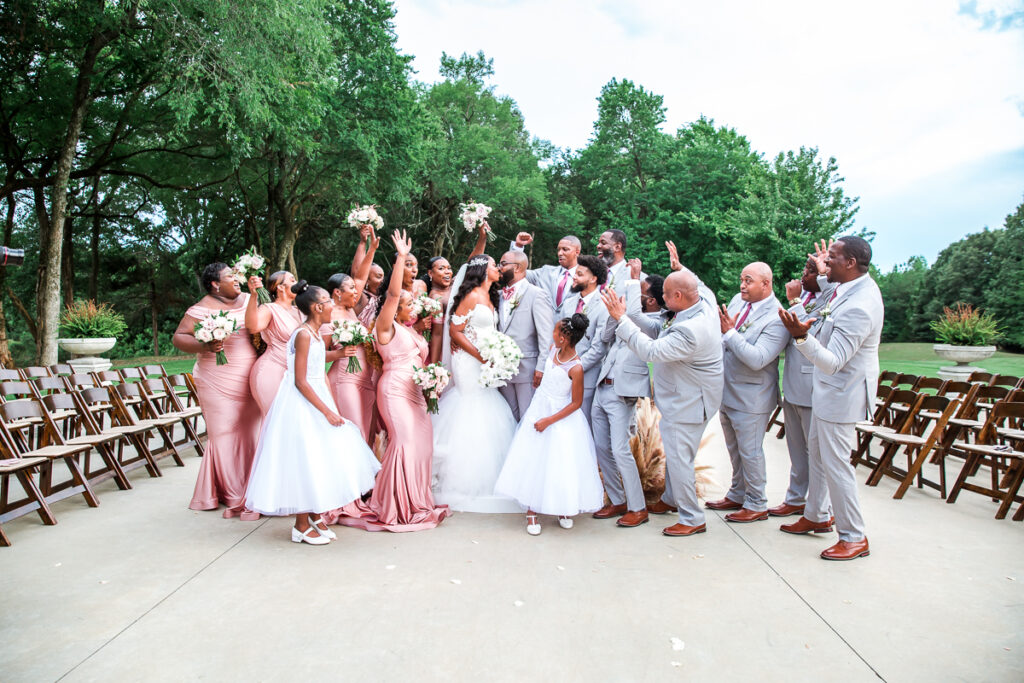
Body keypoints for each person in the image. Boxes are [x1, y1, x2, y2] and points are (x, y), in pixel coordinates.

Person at [245, 282, 381, 545]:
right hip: (302, 403)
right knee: (304, 461)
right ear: (318, 307)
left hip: (318, 396)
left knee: (321, 458)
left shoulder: (316, 333)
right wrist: (326, 412)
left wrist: (332, 398)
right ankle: (300, 524)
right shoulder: (303, 334)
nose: (332, 305)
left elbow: (318, 367)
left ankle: (317, 515)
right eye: (329, 301)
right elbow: (301, 380)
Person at [334, 230, 449, 532]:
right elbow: (395, 294)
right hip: (395, 390)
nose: (414, 306)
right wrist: (399, 258)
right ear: (395, 308)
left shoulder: (411, 330)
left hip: (416, 393)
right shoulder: (385, 327)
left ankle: (417, 500)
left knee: (422, 444)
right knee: (405, 443)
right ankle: (396, 503)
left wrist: (431, 380)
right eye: (409, 303)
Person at [777, 236, 882, 561]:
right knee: (819, 459)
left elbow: (833, 362)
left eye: (832, 258)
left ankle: (853, 536)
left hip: (842, 394)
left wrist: (801, 337)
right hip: (826, 392)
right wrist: (824, 267)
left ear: (850, 263)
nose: (825, 265)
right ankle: (817, 515)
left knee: (837, 466)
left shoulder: (860, 306)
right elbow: (825, 282)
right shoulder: (846, 287)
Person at [600, 270, 723, 537]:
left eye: (665, 294)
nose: (660, 298)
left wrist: (621, 319)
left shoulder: (692, 330)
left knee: (680, 460)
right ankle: (670, 498)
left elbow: (651, 351)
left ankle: (692, 518)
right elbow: (661, 326)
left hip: (688, 403)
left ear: (678, 295)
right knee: (678, 456)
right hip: (689, 397)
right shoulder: (702, 301)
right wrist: (680, 267)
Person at [495, 315, 604, 535]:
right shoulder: (553, 350)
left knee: (560, 463)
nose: (552, 334)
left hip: (560, 417)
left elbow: (576, 403)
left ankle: (562, 507)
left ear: (564, 338)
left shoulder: (576, 368)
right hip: (539, 406)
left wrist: (549, 421)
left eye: (556, 331)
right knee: (534, 458)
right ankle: (532, 510)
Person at [172, 263, 262, 520]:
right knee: (224, 432)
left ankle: (253, 485)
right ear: (214, 284)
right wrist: (205, 343)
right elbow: (179, 337)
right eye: (230, 276)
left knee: (251, 428)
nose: (237, 279)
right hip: (216, 377)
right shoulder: (200, 309)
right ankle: (232, 492)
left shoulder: (248, 299)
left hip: (250, 375)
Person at [431, 253, 519, 512]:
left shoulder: (491, 297)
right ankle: (462, 481)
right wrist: (481, 355)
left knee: (488, 408)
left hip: (486, 361)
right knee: (471, 408)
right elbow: (455, 332)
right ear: (482, 269)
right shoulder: (470, 297)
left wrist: (496, 355)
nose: (498, 269)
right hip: (469, 363)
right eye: (494, 265)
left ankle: (492, 477)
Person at [704, 262, 789, 523]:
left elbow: (758, 359)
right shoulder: (738, 302)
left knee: (750, 452)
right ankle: (738, 492)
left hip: (753, 397)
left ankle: (757, 502)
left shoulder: (777, 318)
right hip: (727, 391)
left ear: (766, 283)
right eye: (742, 279)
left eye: (748, 280)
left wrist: (729, 332)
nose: (742, 285)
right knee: (734, 449)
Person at [769, 254, 836, 517]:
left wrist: (795, 302)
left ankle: (820, 508)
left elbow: (811, 333)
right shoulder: (809, 300)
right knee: (796, 449)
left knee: (816, 453)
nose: (802, 275)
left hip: (813, 386)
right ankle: (796, 498)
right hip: (794, 385)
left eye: (809, 271)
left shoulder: (829, 301)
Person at [591, 258, 655, 527]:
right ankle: (617, 500)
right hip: (601, 387)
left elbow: (636, 316)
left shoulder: (652, 323)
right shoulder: (621, 317)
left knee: (620, 450)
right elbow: (606, 338)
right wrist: (612, 313)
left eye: (639, 293)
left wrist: (632, 278)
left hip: (622, 393)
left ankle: (638, 508)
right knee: (601, 447)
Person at [322, 226, 382, 443]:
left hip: (365, 377)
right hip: (344, 379)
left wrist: (370, 247)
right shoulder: (326, 314)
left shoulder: (349, 307)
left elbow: (361, 275)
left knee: (366, 431)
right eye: (350, 289)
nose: (357, 291)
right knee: (353, 432)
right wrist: (338, 355)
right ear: (337, 292)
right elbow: (316, 354)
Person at [496, 249, 555, 421]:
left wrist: (541, 367)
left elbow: (546, 335)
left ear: (518, 268)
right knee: (508, 418)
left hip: (528, 369)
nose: (499, 268)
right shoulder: (498, 295)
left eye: (503, 263)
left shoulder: (537, 294)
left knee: (528, 418)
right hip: (502, 370)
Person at [558, 254, 610, 422]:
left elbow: (598, 349)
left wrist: (575, 369)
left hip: (585, 377)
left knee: (581, 423)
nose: (574, 276)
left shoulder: (603, 306)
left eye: (580, 274)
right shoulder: (569, 302)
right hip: (560, 374)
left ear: (593, 279)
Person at [245, 270, 303, 417]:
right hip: (272, 371)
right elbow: (253, 327)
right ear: (280, 287)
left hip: (297, 373)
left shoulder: (299, 311)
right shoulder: (269, 308)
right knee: (275, 420)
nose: (296, 283)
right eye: (292, 280)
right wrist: (253, 296)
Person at [511, 232, 581, 314]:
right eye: (558, 250)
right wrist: (518, 247)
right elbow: (516, 272)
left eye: (565, 249)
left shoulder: (587, 277)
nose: (559, 253)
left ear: (577, 252)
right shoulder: (544, 272)